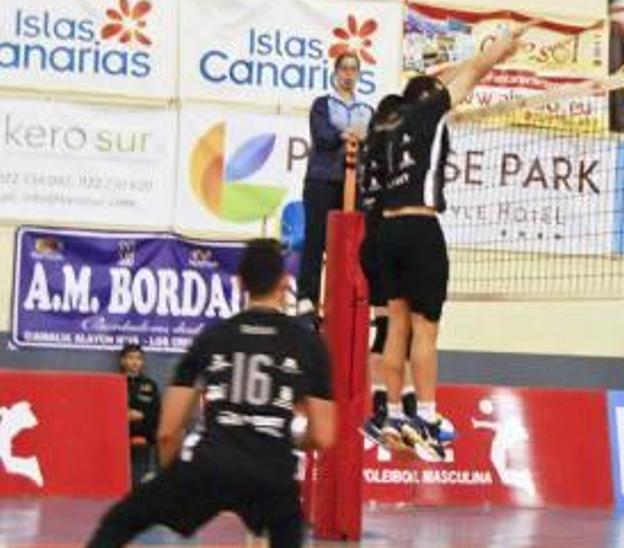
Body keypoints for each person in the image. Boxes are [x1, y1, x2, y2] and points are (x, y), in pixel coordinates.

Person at [86, 239, 335, 548]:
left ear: (240, 282)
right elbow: (323, 436)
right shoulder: (308, 344)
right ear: (285, 283)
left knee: (120, 521)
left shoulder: (213, 337)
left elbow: (167, 431)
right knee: (285, 530)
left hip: (211, 465)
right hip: (271, 474)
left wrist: (174, 477)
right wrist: (286, 436)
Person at [369, 24, 529, 456]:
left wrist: (485, 59)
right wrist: (500, 50)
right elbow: (473, 71)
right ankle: (426, 414)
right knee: (427, 329)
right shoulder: (427, 115)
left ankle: (393, 413)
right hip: (420, 229)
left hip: (387, 231)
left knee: (395, 325)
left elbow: (454, 75)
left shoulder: (387, 129)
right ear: (430, 98)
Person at [356, 94, 419, 441]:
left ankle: (382, 402)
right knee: (402, 329)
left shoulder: (370, 146)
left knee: (386, 326)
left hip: (372, 245)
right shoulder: (395, 145)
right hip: (392, 243)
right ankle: (404, 402)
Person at [297, 52, 375, 325]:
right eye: (344, 69)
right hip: (322, 181)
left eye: (354, 69)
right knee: (315, 241)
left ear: (358, 74)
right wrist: (347, 135)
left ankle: (346, 300)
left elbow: (373, 141)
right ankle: (306, 301)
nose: (348, 74)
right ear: (336, 71)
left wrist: (365, 138)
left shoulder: (367, 110)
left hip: (354, 185)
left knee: (352, 246)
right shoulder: (322, 104)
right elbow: (322, 135)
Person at [120, 343, 159, 488]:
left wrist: (141, 418)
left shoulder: (150, 385)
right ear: (123, 361)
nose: (135, 362)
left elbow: (155, 413)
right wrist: (122, 415)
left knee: (138, 482)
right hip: (118, 438)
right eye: (130, 358)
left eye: (138, 358)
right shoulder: (114, 382)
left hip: (142, 438)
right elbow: (105, 411)